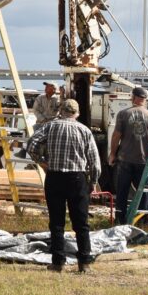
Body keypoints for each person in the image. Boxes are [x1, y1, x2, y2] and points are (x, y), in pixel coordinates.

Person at [26, 98, 100, 273]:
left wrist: (42, 162)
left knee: (57, 222)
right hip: (77, 179)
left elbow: (31, 145)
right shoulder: (84, 130)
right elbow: (95, 162)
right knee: (81, 223)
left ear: (62, 112)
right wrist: (93, 182)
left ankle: (58, 262)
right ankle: (84, 262)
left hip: (55, 177)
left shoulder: (51, 126)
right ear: (77, 113)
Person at [109, 86, 148, 224]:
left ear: (133, 97)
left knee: (122, 191)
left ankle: (120, 219)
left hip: (125, 159)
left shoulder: (123, 114)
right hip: (144, 159)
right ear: (144, 100)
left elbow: (116, 136)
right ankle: (142, 220)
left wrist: (112, 154)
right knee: (142, 191)